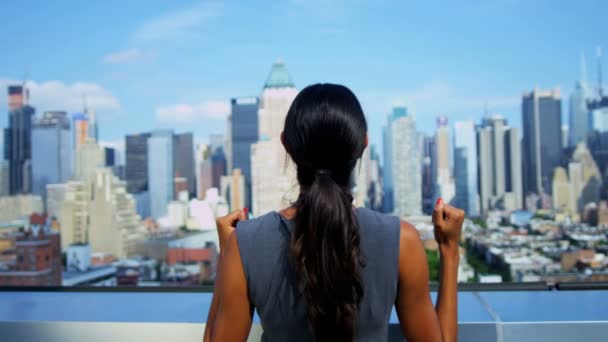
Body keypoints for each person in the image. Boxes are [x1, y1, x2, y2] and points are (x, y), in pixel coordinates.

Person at [204, 83, 464, 341]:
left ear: (286, 144)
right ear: (363, 145)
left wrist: (229, 251)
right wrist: (450, 250)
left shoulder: (246, 243)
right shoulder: (401, 240)